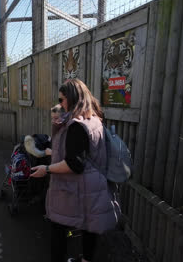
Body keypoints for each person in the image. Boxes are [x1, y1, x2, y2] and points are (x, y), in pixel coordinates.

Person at [31, 79, 120, 262]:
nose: (60, 103)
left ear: (72, 98)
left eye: (62, 99)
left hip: (75, 188)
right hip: (93, 185)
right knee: (90, 226)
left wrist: (46, 168)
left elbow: (74, 164)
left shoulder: (76, 126)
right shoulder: (94, 118)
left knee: (58, 227)